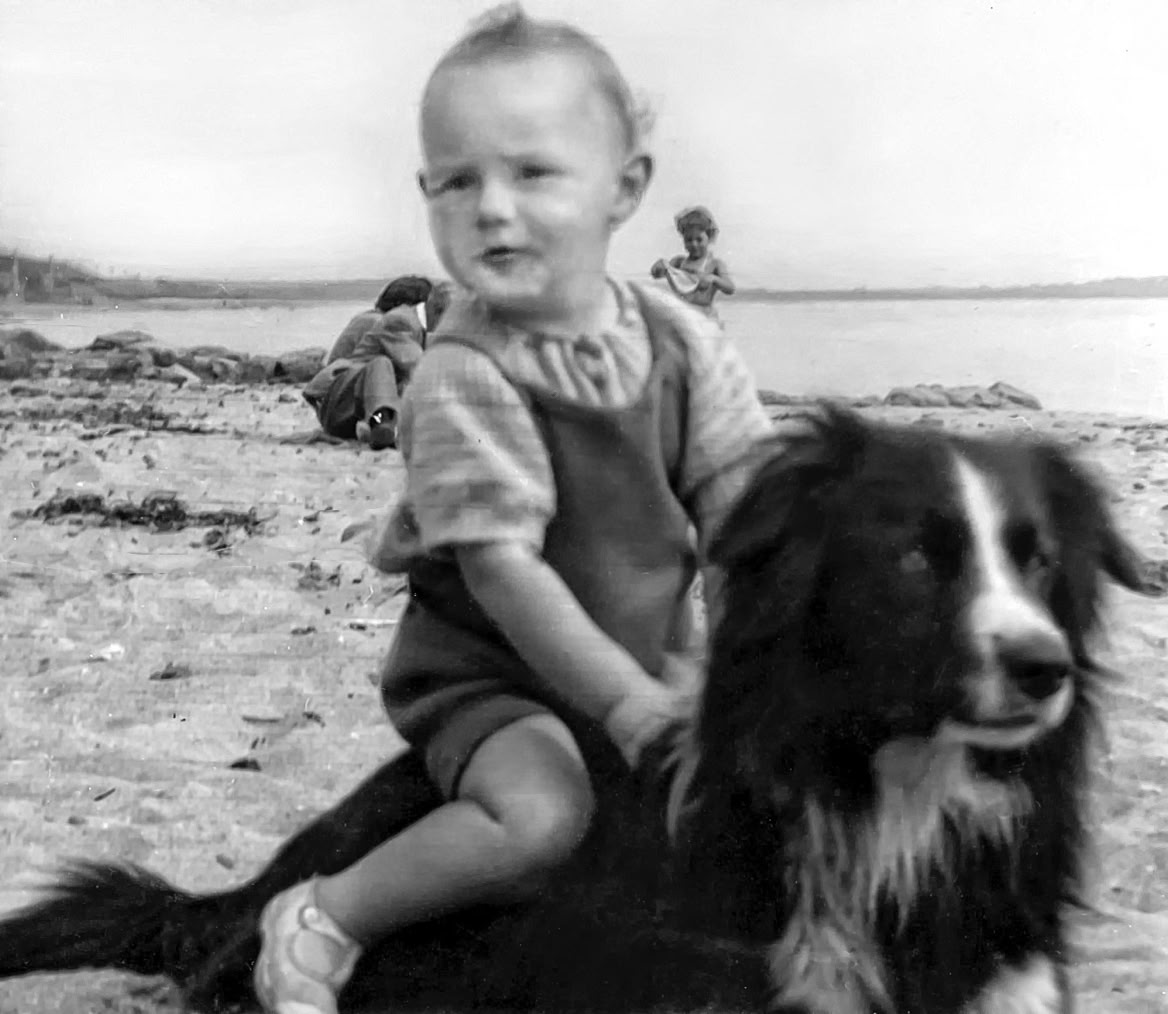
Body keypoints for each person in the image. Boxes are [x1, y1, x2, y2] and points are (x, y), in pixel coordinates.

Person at [253, 7, 775, 1013]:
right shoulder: (464, 372)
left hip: (648, 649)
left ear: (624, 186)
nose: (493, 208)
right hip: (493, 676)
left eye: (534, 173)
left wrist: (727, 671)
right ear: (428, 196)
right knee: (538, 819)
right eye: (458, 181)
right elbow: (505, 571)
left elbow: (739, 514)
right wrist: (628, 708)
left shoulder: (685, 344)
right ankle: (328, 915)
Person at [302, 275, 436, 450]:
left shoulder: (374, 320)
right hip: (344, 401)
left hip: (352, 402)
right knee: (381, 365)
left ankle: (380, 425)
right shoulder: (383, 323)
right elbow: (416, 365)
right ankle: (382, 424)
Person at [650, 205, 735, 319]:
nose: (694, 244)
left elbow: (730, 288)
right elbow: (657, 275)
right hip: (682, 315)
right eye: (688, 240)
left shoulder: (714, 264)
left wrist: (713, 279)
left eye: (699, 239)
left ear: (709, 237)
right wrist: (659, 267)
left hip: (704, 316)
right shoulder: (678, 262)